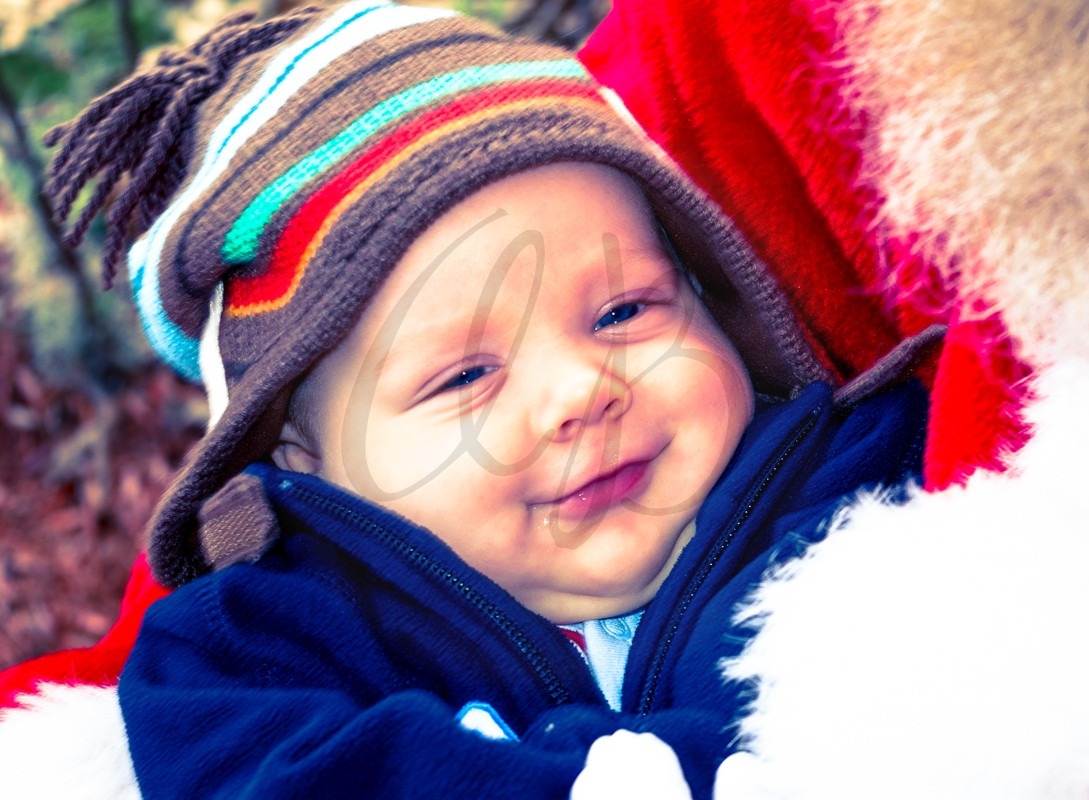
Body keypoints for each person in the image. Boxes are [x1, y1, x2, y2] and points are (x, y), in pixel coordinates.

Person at [39, 2, 933, 797]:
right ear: (303, 456)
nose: (579, 393)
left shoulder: (854, 494)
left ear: (712, 296)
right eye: (463, 376)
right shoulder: (255, 653)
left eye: (624, 311)